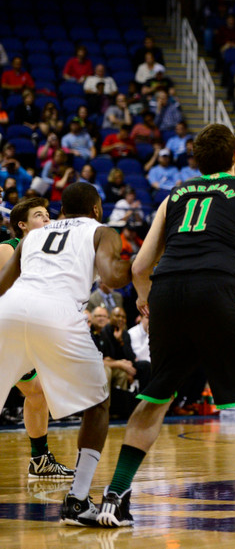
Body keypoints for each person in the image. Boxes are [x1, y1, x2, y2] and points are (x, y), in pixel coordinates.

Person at [94, 124, 235, 531]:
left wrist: (145, 300)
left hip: (167, 291)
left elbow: (141, 266)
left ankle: (115, 498)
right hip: (215, 287)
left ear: (196, 162)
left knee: (156, 395)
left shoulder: (174, 195)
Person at [0, 183, 132, 525]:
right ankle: (77, 501)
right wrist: (138, 265)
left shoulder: (33, 237)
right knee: (99, 401)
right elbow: (112, 278)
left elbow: (2, 282)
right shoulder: (101, 231)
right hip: (58, 314)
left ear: (60, 211)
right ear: (97, 209)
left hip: (8, 310)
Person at [0, 198, 75, 480]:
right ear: (22, 225)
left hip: (18, 336)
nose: (47, 220)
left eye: (48, 215)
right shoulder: (6, 249)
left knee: (38, 391)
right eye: (39, 216)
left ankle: (40, 461)